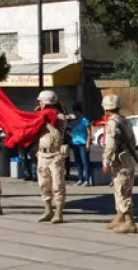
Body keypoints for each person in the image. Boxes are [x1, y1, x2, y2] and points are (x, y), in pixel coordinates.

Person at [101, 94, 138, 234]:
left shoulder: (112, 123)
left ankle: (130, 222)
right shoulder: (124, 121)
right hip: (127, 159)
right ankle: (120, 217)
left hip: (120, 162)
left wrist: (106, 161)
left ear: (106, 109)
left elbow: (110, 146)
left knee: (123, 191)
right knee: (120, 189)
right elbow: (134, 141)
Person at [35, 90, 67, 224]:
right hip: (42, 154)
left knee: (57, 185)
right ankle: (48, 210)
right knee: (43, 184)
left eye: (40, 102)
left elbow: (56, 124)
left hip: (55, 155)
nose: (39, 104)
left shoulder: (58, 117)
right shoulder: (40, 116)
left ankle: (58, 212)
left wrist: (42, 116)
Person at [70, 103, 92, 186]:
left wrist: (88, 143)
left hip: (83, 143)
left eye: (76, 112)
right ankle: (80, 178)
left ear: (80, 112)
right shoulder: (74, 121)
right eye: (74, 112)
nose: (75, 113)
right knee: (78, 162)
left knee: (84, 161)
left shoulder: (84, 120)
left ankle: (87, 179)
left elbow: (89, 132)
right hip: (75, 143)